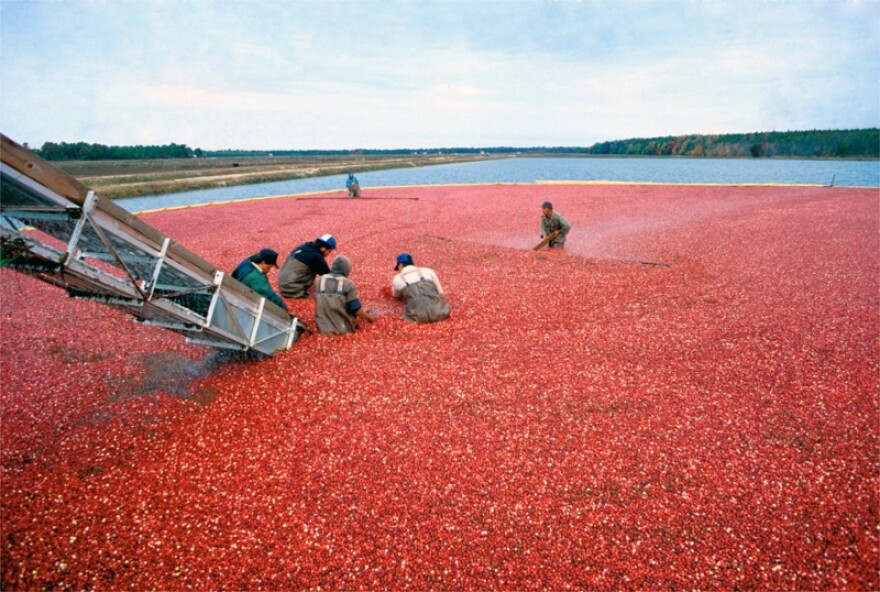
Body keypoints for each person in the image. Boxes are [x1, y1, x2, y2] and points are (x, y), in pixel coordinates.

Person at [315, 255, 375, 335]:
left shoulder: (319, 280)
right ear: (346, 269)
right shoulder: (348, 284)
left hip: (321, 327)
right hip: (341, 328)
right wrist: (369, 317)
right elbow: (355, 309)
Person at [391, 253, 450, 323]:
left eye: (398, 268)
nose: (398, 271)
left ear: (400, 265)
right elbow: (440, 292)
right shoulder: (428, 271)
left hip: (415, 317)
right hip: (440, 312)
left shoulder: (397, 278)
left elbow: (395, 295)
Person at [278, 234, 337, 299]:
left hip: (282, 284)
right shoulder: (317, 257)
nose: (328, 254)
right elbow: (327, 276)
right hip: (292, 291)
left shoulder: (306, 246)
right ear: (323, 248)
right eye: (329, 251)